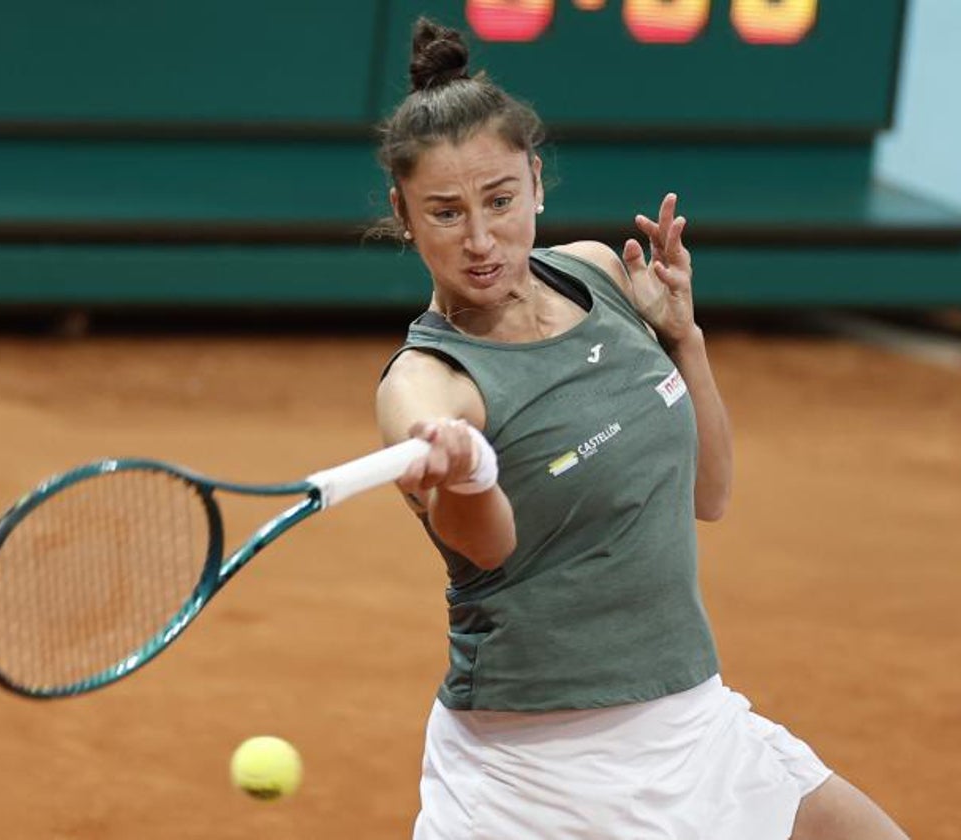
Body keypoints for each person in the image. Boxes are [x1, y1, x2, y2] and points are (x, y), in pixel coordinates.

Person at [374, 17, 909, 840]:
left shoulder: (595, 270)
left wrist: (685, 341)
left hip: (692, 722)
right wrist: (464, 470)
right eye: (445, 213)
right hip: (531, 771)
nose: (481, 240)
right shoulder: (427, 383)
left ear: (537, 183)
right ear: (403, 216)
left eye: (501, 201)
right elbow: (484, 548)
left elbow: (711, 492)